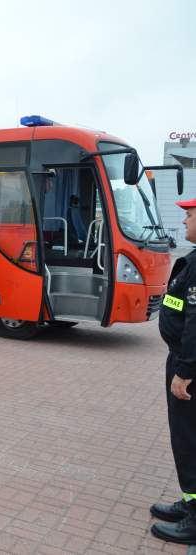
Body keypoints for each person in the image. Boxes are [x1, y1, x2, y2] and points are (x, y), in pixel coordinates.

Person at [150, 197, 196, 545]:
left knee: (188, 436)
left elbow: (195, 323)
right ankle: (190, 502)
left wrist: (185, 370)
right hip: (183, 358)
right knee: (185, 436)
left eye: (190, 216)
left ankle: (194, 518)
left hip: (188, 365)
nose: (184, 223)